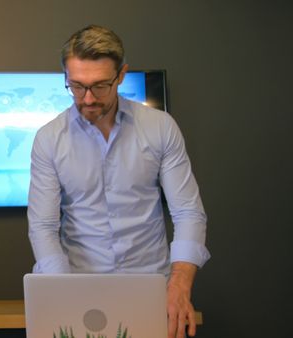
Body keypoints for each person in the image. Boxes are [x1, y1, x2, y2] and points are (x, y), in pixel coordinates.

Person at [27, 25, 210, 338]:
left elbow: (188, 213)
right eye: (76, 86)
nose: (87, 99)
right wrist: (61, 293)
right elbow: (43, 226)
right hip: (78, 287)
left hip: (152, 287)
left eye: (100, 86)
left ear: (121, 75)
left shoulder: (160, 128)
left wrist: (179, 286)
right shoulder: (48, 139)